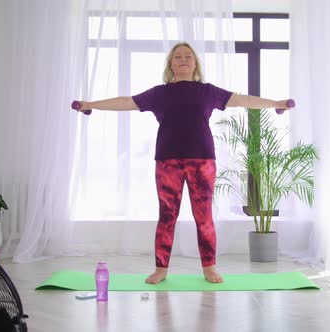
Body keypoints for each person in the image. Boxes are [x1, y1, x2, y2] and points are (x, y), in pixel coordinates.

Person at [74, 42, 292, 284]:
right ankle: (161, 269)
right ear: (171, 64)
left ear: (195, 63)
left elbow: (241, 100)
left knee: (204, 217)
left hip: (203, 161)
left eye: (188, 56)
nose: (183, 59)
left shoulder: (208, 91)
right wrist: (90, 105)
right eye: (177, 56)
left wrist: (276, 104)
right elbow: (126, 102)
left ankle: (209, 268)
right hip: (168, 161)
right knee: (167, 216)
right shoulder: (159, 93)